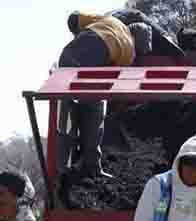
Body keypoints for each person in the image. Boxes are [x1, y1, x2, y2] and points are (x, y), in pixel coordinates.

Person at [57, 16, 151, 178]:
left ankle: (62, 169)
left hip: (67, 56)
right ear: (138, 41)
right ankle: (92, 167)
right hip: (93, 66)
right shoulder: (129, 51)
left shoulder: (110, 20)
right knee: (96, 114)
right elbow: (112, 82)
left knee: (68, 114)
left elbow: (75, 18)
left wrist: (81, 40)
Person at [67, 9, 184, 58]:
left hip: (127, 19)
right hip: (127, 20)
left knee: (156, 39)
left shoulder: (90, 25)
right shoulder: (94, 25)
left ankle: (171, 44)